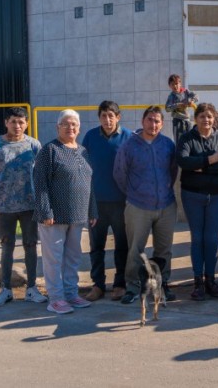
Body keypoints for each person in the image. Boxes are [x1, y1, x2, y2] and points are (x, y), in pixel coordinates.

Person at [33, 109, 98, 314]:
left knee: (73, 257)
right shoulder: (49, 150)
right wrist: (45, 211)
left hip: (77, 215)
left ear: (79, 128)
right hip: (54, 216)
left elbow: (89, 183)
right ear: (57, 127)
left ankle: (71, 294)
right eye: (66, 124)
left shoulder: (83, 151)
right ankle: (56, 298)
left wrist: (92, 210)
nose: (70, 127)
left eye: (74, 124)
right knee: (54, 258)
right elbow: (40, 183)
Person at [114, 106, 179, 305]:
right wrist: (136, 193)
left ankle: (162, 283)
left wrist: (164, 190)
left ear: (162, 123)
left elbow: (173, 171)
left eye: (157, 121)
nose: (153, 124)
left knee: (164, 249)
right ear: (142, 121)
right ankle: (133, 287)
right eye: (150, 120)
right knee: (136, 249)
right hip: (138, 206)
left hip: (166, 205)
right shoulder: (129, 145)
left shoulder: (167, 144)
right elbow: (120, 174)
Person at [0, 107, 47, 307]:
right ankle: (5, 289)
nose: (17, 126)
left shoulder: (34, 146)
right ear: (6, 123)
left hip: (29, 206)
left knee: (30, 245)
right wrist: (5, 192)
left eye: (21, 122)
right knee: (6, 246)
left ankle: (31, 288)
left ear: (27, 123)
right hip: (4, 207)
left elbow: (41, 173)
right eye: (13, 122)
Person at [177, 103, 218, 300]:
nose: (206, 120)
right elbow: (183, 161)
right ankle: (198, 281)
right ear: (196, 118)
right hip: (192, 195)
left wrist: (201, 166)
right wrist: (210, 160)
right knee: (198, 239)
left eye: (209, 117)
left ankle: (211, 279)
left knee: (211, 239)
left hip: (216, 196)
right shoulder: (187, 138)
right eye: (202, 116)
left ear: (214, 119)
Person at [81, 101, 133, 301]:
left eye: (111, 115)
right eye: (103, 116)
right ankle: (98, 285)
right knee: (96, 246)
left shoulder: (128, 138)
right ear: (99, 117)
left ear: (118, 117)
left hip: (122, 202)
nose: (107, 119)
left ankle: (120, 284)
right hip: (96, 203)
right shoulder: (91, 137)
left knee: (122, 244)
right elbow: (82, 168)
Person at [165, 73, 198, 144]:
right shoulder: (171, 96)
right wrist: (177, 105)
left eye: (176, 83)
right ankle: (179, 154)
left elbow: (196, 96)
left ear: (180, 84)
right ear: (169, 86)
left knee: (190, 139)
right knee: (179, 141)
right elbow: (167, 108)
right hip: (177, 121)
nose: (175, 86)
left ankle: (189, 154)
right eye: (172, 84)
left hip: (187, 120)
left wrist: (191, 101)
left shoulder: (185, 92)